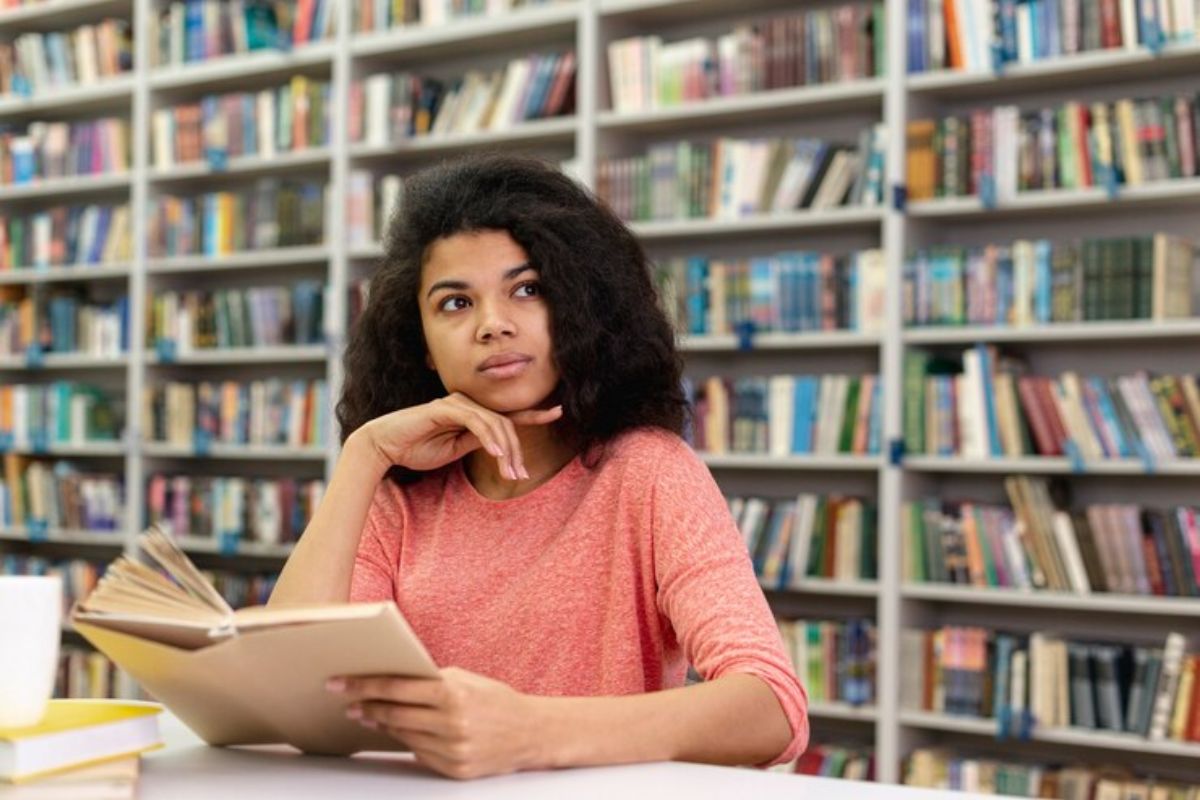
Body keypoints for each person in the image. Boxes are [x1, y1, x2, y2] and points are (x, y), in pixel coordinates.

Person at [268, 153, 809, 780]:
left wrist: (529, 731)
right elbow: (289, 691)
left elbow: (773, 707)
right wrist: (363, 456)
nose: (493, 325)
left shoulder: (648, 472)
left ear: (577, 309)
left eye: (527, 290)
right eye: (454, 303)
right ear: (422, 346)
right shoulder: (399, 492)